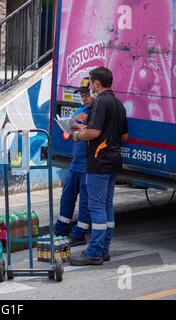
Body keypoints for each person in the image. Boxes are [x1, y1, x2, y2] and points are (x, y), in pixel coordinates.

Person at [70, 67, 128, 266]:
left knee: (96, 207)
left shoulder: (100, 103)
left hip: (99, 162)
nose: (91, 87)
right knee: (106, 206)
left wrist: (78, 134)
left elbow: (94, 132)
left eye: (92, 82)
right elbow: (124, 136)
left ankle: (94, 251)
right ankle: (104, 249)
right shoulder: (118, 103)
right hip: (113, 162)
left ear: (97, 83)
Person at [54, 77, 94, 247]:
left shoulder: (98, 111)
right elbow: (70, 125)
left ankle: (79, 233)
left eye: (87, 94)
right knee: (67, 196)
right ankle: (60, 230)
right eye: (82, 94)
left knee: (85, 200)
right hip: (76, 161)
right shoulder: (81, 110)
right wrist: (75, 120)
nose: (84, 97)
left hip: (89, 164)